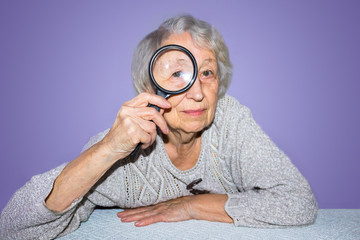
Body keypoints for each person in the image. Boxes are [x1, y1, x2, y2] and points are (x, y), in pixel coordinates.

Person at [0, 15, 318, 239]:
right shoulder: (123, 156)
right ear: (149, 86)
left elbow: (298, 202)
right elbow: (14, 227)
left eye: (207, 73)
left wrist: (192, 205)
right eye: (177, 73)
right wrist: (109, 149)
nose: (197, 92)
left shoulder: (230, 122)